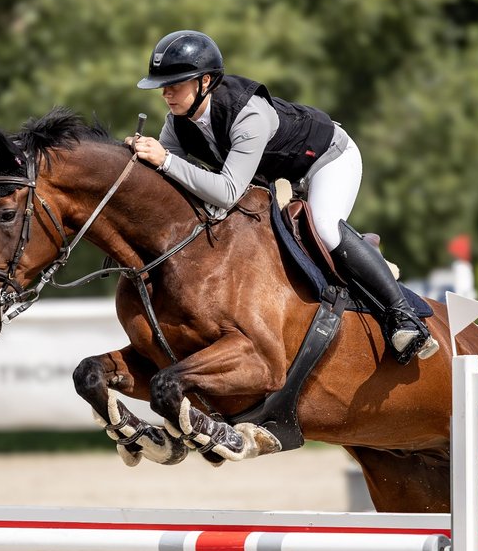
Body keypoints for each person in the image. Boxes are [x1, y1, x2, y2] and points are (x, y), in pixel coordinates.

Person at [127, 29, 438, 364]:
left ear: (205, 82)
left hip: (326, 160)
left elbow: (226, 191)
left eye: (175, 83)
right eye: (163, 85)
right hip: (276, 179)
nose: (166, 93)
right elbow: (169, 179)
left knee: (324, 227)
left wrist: (166, 160)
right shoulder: (178, 122)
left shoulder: (248, 114)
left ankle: (404, 318)